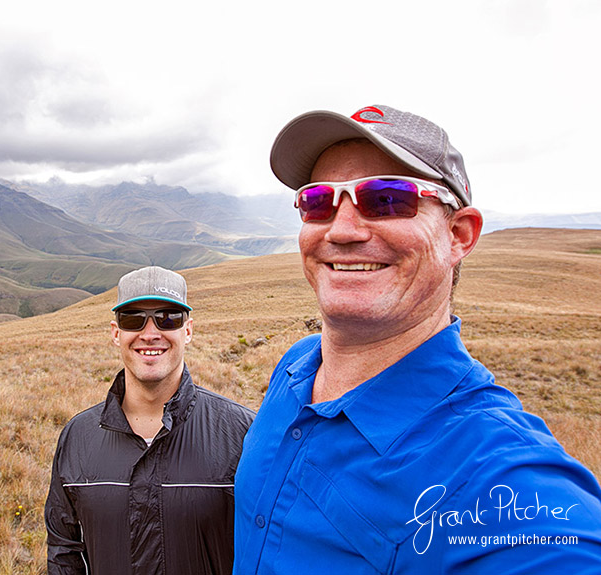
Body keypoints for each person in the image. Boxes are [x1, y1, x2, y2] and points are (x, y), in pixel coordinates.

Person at [234, 105, 601, 574]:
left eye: (387, 198)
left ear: (459, 235)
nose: (342, 230)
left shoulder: (497, 478)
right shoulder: (295, 367)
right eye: (319, 201)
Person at [45, 265, 255, 574]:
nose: (150, 333)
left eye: (167, 317)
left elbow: (267, 546)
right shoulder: (78, 436)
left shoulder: (240, 433)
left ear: (188, 330)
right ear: (117, 334)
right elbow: (64, 549)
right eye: (134, 319)